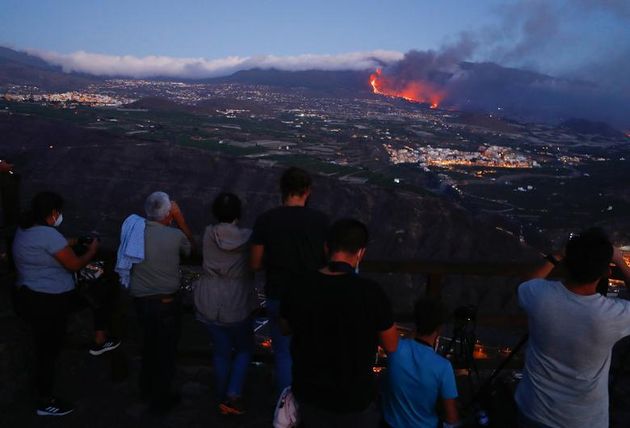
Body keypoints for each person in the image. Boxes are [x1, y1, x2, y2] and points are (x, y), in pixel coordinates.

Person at [280, 218, 398, 428]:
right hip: (355, 398)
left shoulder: (300, 285)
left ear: (326, 248)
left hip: (310, 393)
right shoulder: (371, 293)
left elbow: (285, 326)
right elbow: (391, 345)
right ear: (361, 253)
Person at [12, 191, 119, 416]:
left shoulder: (26, 229)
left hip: (30, 295)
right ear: (52, 213)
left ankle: (99, 339)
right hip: (50, 301)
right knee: (47, 351)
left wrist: (77, 241)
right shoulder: (49, 236)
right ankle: (45, 400)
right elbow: (73, 264)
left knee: (45, 348)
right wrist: (90, 250)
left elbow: (55, 245)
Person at [515, 228, 630, 428]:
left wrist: (557, 255)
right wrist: (620, 261)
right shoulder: (612, 316)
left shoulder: (540, 296)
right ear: (606, 272)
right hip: (584, 419)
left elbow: (527, 283)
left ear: (567, 264)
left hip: (533, 408)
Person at [250, 166, 329, 392]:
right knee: (309, 352)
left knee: (283, 354)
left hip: (278, 295)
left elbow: (254, 263)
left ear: (282, 190)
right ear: (307, 191)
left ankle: (286, 409)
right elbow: (328, 259)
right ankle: (309, 403)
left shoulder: (266, 220)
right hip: (311, 298)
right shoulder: (320, 221)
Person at [129, 191, 193, 412]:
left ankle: (145, 389)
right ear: (169, 214)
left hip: (140, 302)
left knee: (148, 347)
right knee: (165, 352)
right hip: (165, 304)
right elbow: (190, 249)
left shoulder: (134, 232)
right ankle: (160, 400)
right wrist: (180, 219)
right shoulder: (174, 236)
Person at [194, 192, 257, 416]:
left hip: (209, 299)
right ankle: (233, 395)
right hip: (237, 299)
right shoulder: (249, 237)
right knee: (244, 349)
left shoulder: (209, 234)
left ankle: (222, 396)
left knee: (221, 352)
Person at [381, 297, 459, 428]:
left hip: (390, 424)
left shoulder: (395, 349)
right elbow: (451, 418)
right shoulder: (443, 367)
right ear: (439, 329)